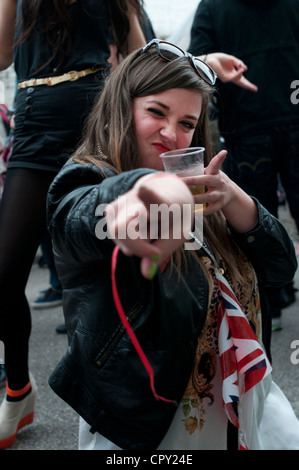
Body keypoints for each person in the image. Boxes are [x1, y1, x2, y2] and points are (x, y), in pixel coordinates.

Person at [47, 40, 299, 450]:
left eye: (187, 123)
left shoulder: (204, 188)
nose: (170, 133)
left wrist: (238, 201)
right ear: (123, 107)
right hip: (149, 427)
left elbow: (281, 268)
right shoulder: (85, 180)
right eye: (156, 112)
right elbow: (78, 219)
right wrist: (136, 190)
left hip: (248, 403)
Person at [0, 0, 148, 450]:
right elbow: (1, 57)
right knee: (5, 275)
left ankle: (124, 405)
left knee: (112, 273)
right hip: (33, 125)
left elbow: (139, 57)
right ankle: (18, 391)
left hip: (94, 123)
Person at [188, 0, 299, 330]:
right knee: (254, 218)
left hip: (246, 125)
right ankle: (271, 300)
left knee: (253, 218)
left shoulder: (212, 7)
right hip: (281, 119)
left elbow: (195, 64)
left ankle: (271, 303)